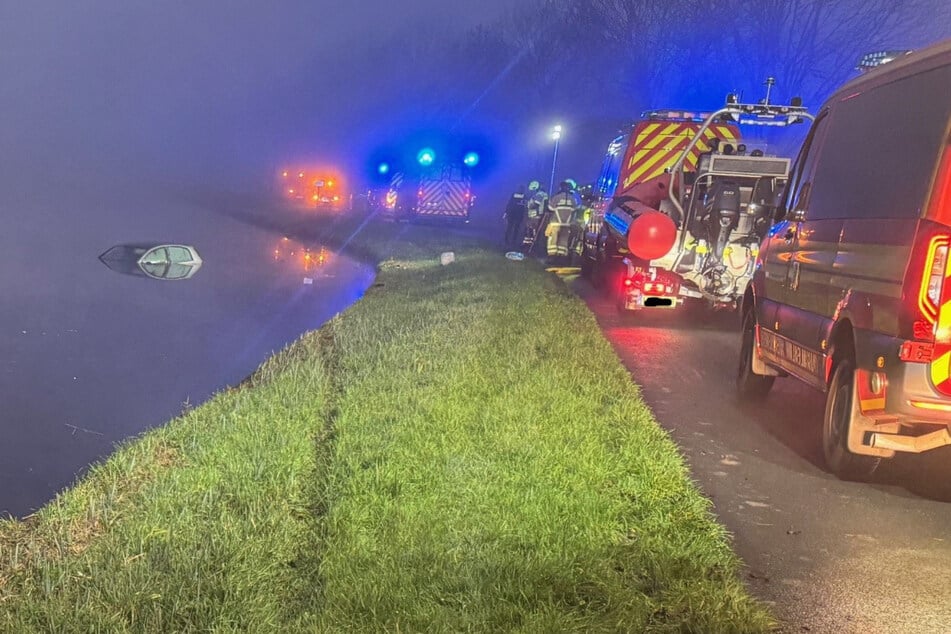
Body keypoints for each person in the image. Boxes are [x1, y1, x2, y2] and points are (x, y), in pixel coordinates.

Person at [546, 180, 581, 264]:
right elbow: (576, 208)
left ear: (560, 187)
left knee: (553, 239)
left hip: (556, 223)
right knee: (563, 240)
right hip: (566, 223)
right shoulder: (572, 198)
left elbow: (550, 207)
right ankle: (561, 258)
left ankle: (552, 257)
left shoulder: (557, 197)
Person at [523, 180, 549, 253]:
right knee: (530, 230)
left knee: (531, 231)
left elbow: (535, 205)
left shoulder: (539, 195)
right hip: (536, 215)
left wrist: (528, 204)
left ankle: (530, 247)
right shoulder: (543, 194)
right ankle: (528, 245)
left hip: (535, 215)